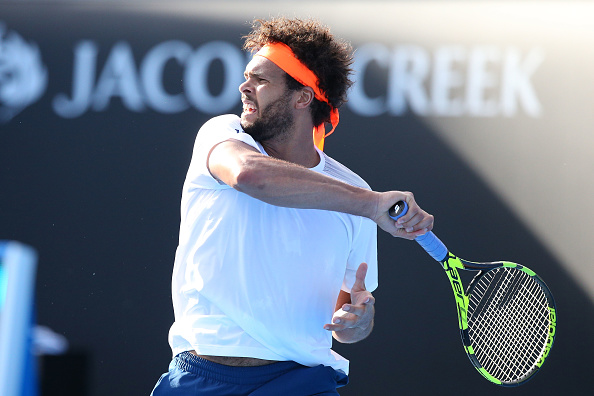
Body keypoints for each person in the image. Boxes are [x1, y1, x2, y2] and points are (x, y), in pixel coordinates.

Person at [151, 16, 433, 396]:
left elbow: (347, 308)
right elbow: (251, 175)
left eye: (261, 80)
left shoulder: (356, 193)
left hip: (301, 383)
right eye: (247, 76)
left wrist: (356, 323)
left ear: (302, 98)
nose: (244, 87)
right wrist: (370, 204)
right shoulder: (220, 135)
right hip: (203, 376)